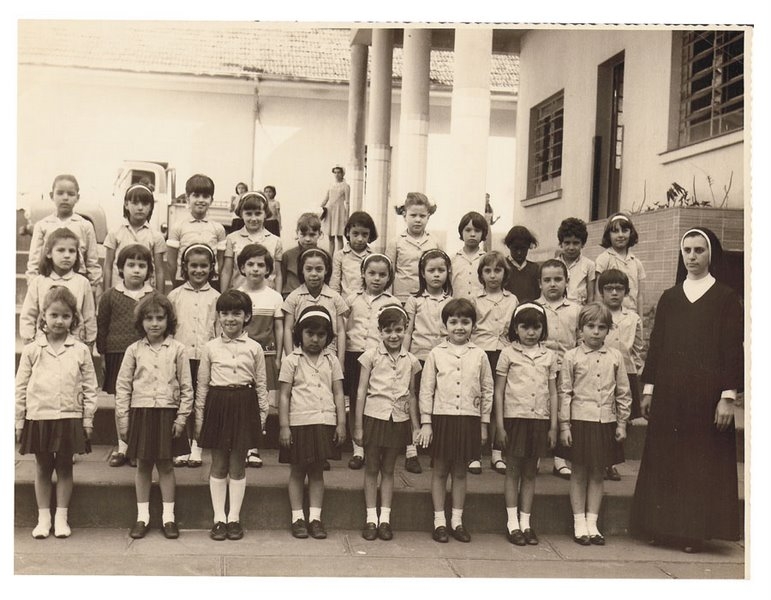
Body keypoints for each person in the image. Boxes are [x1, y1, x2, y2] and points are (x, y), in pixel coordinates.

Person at [630, 227, 743, 553]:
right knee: (665, 458)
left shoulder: (725, 297)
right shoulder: (670, 297)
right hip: (669, 394)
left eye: (699, 250)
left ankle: (692, 533)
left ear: (711, 254)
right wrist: (649, 389)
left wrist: (728, 397)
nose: (692, 257)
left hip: (706, 398)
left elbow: (732, 350)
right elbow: (657, 346)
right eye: (687, 250)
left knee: (697, 462)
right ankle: (660, 527)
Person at [15, 287, 98, 539]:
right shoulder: (32, 350)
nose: (59, 321)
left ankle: (61, 517)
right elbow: (20, 386)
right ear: (43, 316)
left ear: (73, 318)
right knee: (42, 466)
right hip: (39, 416)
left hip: (69, 416)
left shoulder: (80, 350)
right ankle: (44, 519)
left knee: (64, 466)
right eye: (54, 315)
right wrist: (19, 420)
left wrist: (88, 418)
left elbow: (90, 386)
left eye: (65, 316)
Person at [115, 293, 193, 540]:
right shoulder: (133, 350)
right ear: (141, 322)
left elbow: (187, 387)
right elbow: (123, 387)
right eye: (149, 318)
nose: (155, 323)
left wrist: (181, 419)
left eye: (160, 318)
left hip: (167, 414)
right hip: (142, 412)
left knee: (166, 465)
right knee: (143, 465)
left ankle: (168, 518)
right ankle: (143, 517)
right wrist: (123, 421)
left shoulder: (178, 350)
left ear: (169, 321)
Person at [416, 298, 493, 544]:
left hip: (468, 419)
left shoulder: (479, 355)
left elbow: (487, 390)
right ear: (445, 325)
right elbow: (426, 389)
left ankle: (456, 521)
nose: (459, 327)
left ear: (473, 325)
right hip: (442, 418)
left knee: (460, 472)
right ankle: (439, 521)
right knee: (440, 470)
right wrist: (426, 422)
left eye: (465, 322)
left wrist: (483, 424)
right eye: (454, 322)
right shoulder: (436, 354)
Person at [195, 290, 269, 541]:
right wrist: (199, 419)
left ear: (246, 316)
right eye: (225, 313)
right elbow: (202, 385)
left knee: (237, 464)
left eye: (236, 313)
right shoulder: (210, 348)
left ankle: (234, 518)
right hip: (217, 405)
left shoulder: (255, 348)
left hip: (244, 405)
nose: (230, 319)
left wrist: (261, 417)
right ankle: (219, 519)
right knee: (218, 463)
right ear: (218, 316)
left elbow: (261, 384)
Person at [557, 302, 631, 546]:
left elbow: (623, 392)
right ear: (580, 329)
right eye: (590, 326)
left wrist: (621, 423)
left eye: (601, 327)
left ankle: (592, 522)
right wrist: (565, 425)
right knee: (578, 472)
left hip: (604, 421)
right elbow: (565, 392)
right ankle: (579, 522)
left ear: (608, 330)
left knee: (598, 473)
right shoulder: (571, 357)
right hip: (580, 421)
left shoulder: (615, 357)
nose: (596, 332)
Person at [278, 306, 347, 539]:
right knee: (297, 470)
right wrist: (284, 426)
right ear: (300, 333)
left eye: (321, 335)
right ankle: (297, 517)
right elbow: (284, 395)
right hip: (298, 423)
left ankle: (315, 518)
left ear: (328, 336)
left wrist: (341, 423)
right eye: (310, 333)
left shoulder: (332, 360)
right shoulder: (292, 360)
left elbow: (338, 393)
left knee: (317, 471)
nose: (315, 339)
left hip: (323, 421)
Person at [354, 304, 421, 541]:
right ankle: (371, 518)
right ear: (380, 331)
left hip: (398, 420)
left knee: (389, 469)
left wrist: (416, 426)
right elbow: (361, 391)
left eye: (399, 330)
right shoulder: (370, 357)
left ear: (406, 330)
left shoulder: (411, 361)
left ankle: (385, 519)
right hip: (374, 417)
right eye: (388, 330)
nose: (394, 335)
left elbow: (412, 395)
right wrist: (358, 426)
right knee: (372, 467)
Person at [494, 303, 558, 546]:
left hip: (539, 419)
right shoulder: (508, 354)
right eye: (525, 327)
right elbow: (499, 392)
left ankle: (526, 522)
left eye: (536, 327)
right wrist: (500, 426)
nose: (531, 333)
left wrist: (553, 426)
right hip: (514, 419)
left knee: (530, 472)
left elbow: (553, 392)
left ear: (543, 328)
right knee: (513, 470)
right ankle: (512, 523)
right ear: (516, 328)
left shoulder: (549, 356)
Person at [96, 244, 156, 467]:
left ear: (149, 270)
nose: (136, 270)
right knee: (121, 401)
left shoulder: (153, 296)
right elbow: (102, 326)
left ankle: (137, 448)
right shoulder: (110, 296)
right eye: (131, 265)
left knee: (140, 401)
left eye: (142, 265)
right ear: (120, 268)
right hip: (117, 353)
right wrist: (103, 355)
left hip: (145, 355)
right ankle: (122, 447)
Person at [167, 243, 220, 469]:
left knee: (201, 401)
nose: (199, 270)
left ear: (211, 268)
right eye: (194, 266)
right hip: (182, 356)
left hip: (206, 357)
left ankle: (197, 445)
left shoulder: (216, 297)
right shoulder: (174, 296)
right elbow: (169, 327)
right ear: (185, 267)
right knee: (182, 399)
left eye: (204, 266)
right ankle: (182, 447)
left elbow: (218, 328)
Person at [344, 253, 399, 469]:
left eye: (382, 275)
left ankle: (374, 444)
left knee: (372, 398)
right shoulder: (351, 299)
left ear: (389, 277)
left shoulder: (392, 302)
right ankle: (358, 449)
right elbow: (343, 327)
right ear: (363, 274)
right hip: (354, 354)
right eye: (372, 273)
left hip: (378, 357)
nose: (376, 278)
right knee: (355, 399)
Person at [402, 249, 453, 474]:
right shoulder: (414, 300)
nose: (436, 274)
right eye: (431, 270)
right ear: (423, 273)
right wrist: (404, 357)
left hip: (443, 359)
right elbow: (408, 331)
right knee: (412, 399)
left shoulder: (451, 301)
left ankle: (437, 450)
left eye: (441, 270)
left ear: (448, 272)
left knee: (438, 400)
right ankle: (411, 450)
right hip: (419, 357)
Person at [236, 243, 285, 469]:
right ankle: (241, 444)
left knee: (260, 401)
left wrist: (279, 355)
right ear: (242, 268)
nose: (255, 269)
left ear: (268, 269)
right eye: (250, 264)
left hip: (266, 356)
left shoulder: (274, 297)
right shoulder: (237, 295)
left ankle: (254, 447)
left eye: (260, 265)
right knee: (242, 400)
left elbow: (279, 328)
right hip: (242, 356)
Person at [469, 251, 518, 475]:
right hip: (481, 352)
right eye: (487, 271)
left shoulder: (512, 299)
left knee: (500, 400)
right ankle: (475, 453)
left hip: (503, 352)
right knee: (479, 398)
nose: (492, 275)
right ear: (481, 275)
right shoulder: (475, 300)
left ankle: (497, 453)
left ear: (505, 274)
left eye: (497, 270)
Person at [536, 259, 581, 480]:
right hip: (538, 367)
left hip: (566, 367)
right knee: (538, 407)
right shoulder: (534, 308)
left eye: (558, 279)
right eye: (547, 280)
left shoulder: (576, 309)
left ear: (566, 281)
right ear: (540, 283)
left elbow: (580, 339)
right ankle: (535, 455)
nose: (552, 284)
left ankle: (560, 459)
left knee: (564, 409)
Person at [598, 268, 644, 481]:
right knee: (603, 418)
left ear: (626, 291)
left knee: (622, 419)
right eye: (609, 289)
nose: (614, 293)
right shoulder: (596, 314)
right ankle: (600, 462)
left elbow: (638, 347)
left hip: (626, 373)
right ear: (601, 292)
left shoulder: (632, 318)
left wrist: (633, 368)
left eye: (619, 289)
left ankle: (613, 463)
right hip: (600, 373)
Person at [25, 174, 103, 294]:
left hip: (77, 283)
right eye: (60, 193)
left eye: (71, 194)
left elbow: (92, 261)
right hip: (48, 283)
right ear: (52, 195)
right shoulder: (42, 225)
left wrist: (93, 285)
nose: (65, 198)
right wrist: (33, 284)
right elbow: (34, 261)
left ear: (77, 197)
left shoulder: (85, 225)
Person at [19, 228, 96, 347]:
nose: (67, 255)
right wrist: (30, 343)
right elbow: (28, 315)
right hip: (43, 346)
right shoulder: (39, 282)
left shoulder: (82, 283)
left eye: (72, 251)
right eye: (61, 250)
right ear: (49, 253)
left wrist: (89, 344)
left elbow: (89, 316)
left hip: (74, 346)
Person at [282, 248, 348, 375]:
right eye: (308, 269)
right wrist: (291, 358)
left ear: (326, 270)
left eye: (319, 269)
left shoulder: (335, 298)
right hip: (301, 355)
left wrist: (340, 361)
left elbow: (340, 331)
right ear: (302, 270)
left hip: (328, 354)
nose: (314, 274)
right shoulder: (294, 297)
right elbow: (288, 329)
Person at [166, 174, 227, 289]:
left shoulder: (218, 228)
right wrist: (177, 284)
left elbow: (220, 262)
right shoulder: (178, 227)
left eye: (205, 196)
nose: (201, 200)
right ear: (187, 198)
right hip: (183, 281)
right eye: (196, 195)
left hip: (210, 283)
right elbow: (171, 262)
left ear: (211, 200)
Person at [103, 183, 167, 293]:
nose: (140, 208)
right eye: (135, 203)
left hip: (145, 294)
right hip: (118, 291)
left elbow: (159, 271)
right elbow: (108, 266)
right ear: (126, 204)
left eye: (145, 203)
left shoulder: (156, 237)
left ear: (151, 207)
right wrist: (107, 294)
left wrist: (160, 298)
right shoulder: (115, 233)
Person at [220, 191, 283, 293]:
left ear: (265, 214)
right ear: (241, 214)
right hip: (239, 295)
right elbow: (227, 271)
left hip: (266, 296)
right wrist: (223, 297)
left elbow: (278, 274)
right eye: (248, 214)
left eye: (258, 214)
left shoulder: (275, 241)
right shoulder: (232, 238)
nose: (253, 218)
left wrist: (278, 297)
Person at [385, 192, 440, 303]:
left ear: (428, 217)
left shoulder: (435, 242)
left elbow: (440, 270)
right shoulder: (395, 242)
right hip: (402, 298)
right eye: (413, 215)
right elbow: (388, 274)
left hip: (427, 297)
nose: (418, 220)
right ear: (405, 216)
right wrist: (389, 300)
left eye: (422, 216)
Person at [595, 212, 646, 316]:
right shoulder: (604, 259)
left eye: (625, 230)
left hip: (631, 315)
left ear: (631, 233)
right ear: (608, 235)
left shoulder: (636, 262)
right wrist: (600, 317)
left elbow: (639, 295)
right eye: (615, 231)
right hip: (610, 315)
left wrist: (640, 319)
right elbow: (598, 292)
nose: (620, 235)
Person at [330, 211, 377, 298]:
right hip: (345, 302)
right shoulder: (340, 256)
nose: (360, 239)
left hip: (366, 302)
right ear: (348, 232)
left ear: (370, 235)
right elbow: (334, 285)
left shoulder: (373, 256)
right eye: (355, 234)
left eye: (364, 235)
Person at [281, 213, 323, 299]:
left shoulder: (323, 256)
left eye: (312, 235)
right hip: (291, 296)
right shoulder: (287, 255)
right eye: (303, 235)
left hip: (315, 298)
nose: (307, 239)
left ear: (319, 234)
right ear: (297, 233)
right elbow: (282, 279)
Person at [556, 217, 594, 305]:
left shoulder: (589, 265)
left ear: (583, 244)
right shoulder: (553, 265)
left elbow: (591, 297)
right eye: (567, 243)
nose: (571, 247)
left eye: (576, 243)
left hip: (580, 309)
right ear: (561, 244)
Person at [451, 211, 488, 300]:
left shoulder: (487, 259)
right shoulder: (453, 259)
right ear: (461, 232)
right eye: (468, 230)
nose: (472, 234)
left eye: (477, 231)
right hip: (457, 306)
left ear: (483, 233)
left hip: (481, 306)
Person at [502, 225, 540, 303]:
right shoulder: (502, 267)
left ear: (528, 247)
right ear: (509, 246)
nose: (519, 252)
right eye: (515, 248)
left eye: (523, 248)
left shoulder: (535, 269)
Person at [320, 165, 350, 256]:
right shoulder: (331, 185)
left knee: (339, 236)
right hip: (330, 211)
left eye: (339, 172)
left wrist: (346, 217)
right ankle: (330, 257)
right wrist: (319, 208)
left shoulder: (346, 186)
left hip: (339, 212)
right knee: (330, 237)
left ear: (342, 174)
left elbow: (347, 202)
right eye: (335, 172)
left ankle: (339, 257)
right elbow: (326, 198)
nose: (337, 174)